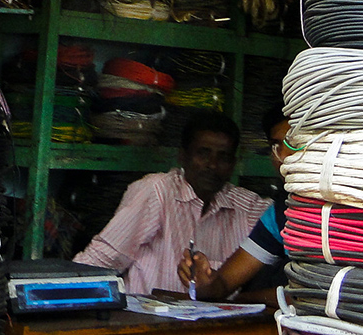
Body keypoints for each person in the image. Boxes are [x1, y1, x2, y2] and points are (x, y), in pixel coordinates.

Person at [73, 113, 269, 296]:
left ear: (234, 164)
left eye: (223, 157)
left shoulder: (248, 208)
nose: (212, 165)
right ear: (182, 156)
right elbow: (103, 259)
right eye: (203, 153)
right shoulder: (156, 192)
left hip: (217, 329)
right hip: (147, 325)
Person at [178, 105, 294, 303]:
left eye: (294, 143)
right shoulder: (282, 213)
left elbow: (316, 297)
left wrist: (245, 299)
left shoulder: (353, 205)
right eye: (276, 146)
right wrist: (204, 282)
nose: (283, 157)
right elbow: (222, 284)